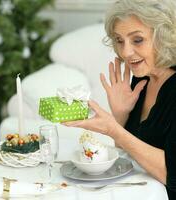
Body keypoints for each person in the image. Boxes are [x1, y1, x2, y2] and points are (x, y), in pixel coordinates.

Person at [63, 0, 176, 198]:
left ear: (163, 37)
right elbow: (128, 154)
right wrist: (121, 115)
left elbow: (171, 175)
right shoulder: (142, 78)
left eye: (137, 40)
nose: (125, 52)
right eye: (119, 40)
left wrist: (114, 129)